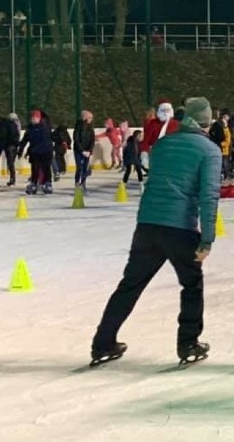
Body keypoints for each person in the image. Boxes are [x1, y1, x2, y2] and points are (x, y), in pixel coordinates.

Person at [90, 97, 221, 367]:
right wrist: (207, 239)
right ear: (207, 122)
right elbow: (209, 197)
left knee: (130, 285)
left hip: (148, 223)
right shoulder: (209, 150)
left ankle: (103, 343)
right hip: (180, 228)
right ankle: (188, 343)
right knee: (191, 285)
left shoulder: (164, 144)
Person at [19, 110, 54, 195]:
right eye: (32, 118)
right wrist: (20, 150)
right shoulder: (30, 129)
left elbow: (46, 142)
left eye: (35, 118)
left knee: (46, 168)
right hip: (35, 153)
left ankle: (47, 183)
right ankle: (34, 183)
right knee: (35, 169)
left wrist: (35, 149)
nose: (33, 119)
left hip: (45, 152)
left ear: (39, 118)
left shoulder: (45, 128)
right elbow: (25, 140)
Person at [140, 100, 181, 169]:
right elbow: (146, 141)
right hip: (156, 155)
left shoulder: (176, 124)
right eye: (163, 110)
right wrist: (144, 156)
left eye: (167, 110)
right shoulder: (152, 124)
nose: (165, 113)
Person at [0, 113, 20, 187]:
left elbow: (14, 133)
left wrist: (14, 144)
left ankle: (12, 179)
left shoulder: (7, 122)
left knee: (10, 161)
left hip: (9, 142)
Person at [73, 111, 96, 193]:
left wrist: (89, 151)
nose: (91, 119)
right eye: (90, 118)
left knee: (85, 168)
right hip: (79, 151)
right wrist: (82, 150)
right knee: (79, 168)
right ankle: (77, 184)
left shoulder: (90, 127)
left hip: (87, 151)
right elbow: (76, 139)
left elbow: (93, 140)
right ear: (85, 118)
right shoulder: (78, 126)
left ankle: (83, 184)